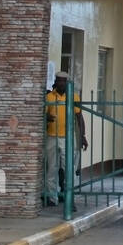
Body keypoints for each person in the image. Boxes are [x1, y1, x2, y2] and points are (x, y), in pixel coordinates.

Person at [43, 72, 84, 206]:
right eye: (58, 81)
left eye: (63, 81)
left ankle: (69, 199)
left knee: (69, 169)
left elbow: (79, 117)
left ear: (68, 83)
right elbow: (43, 116)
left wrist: (83, 136)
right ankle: (52, 198)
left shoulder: (74, 97)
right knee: (52, 169)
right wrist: (48, 118)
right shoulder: (49, 97)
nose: (60, 83)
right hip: (51, 137)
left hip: (67, 138)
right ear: (56, 81)